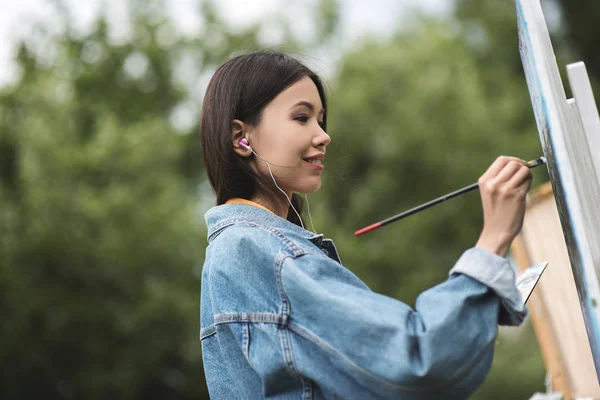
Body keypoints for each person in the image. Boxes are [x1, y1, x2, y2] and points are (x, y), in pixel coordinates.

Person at [199, 51, 532, 400]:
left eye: (321, 120)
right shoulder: (255, 251)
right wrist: (493, 239)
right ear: (241, 137)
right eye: (302, 117)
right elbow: (416, 363)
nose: (323, 135)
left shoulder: (241, 250)